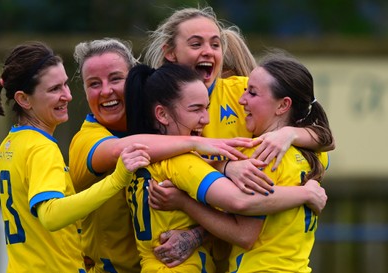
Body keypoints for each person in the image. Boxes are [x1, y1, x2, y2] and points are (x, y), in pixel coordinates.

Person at [69, 38, 259, 273]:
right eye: (94, 84)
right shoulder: (87, 141)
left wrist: (222, 168)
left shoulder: (174, 142)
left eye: (116, 78)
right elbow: (122, 150)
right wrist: (197, 144)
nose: (106, 90)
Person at [124, 62, 327, 273]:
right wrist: (306, 193)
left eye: (253, 93)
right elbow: (326, 139)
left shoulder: (263, 156)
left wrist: (183, 201)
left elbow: (244, 232)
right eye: (196, 109)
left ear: (283, 105)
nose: (241, 100)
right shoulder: (315, 155)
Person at [0, 41, 151, 273]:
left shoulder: (10, 144)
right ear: (24, 99)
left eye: (65, 85)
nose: (67, 96)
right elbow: (51, 215)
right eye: (54, 89)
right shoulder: (41, 148)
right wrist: (116, 180)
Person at [143, 6, 335, 194]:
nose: (208, 51)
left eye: (215, 44)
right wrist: (224, 166)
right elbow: (136, 153)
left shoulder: (243, 92)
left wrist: (289, 134)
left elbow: (325, 142)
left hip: (235, 216)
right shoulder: (152, 100)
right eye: (196, 44)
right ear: (170, 52)